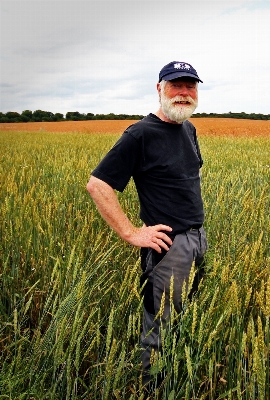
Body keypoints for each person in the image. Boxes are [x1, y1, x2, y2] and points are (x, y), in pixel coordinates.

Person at [86, 61, 208, 388]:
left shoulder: (188, 129)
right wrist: (130, 232)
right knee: (159, 325)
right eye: (175, 86)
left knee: (184, 316)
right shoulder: (140, 134)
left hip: (197, 239)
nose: (184, 93)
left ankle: (176, 376)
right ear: (159, 89)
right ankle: (155, 388)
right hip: (167, 248)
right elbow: (98, 184)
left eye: (190, 86)